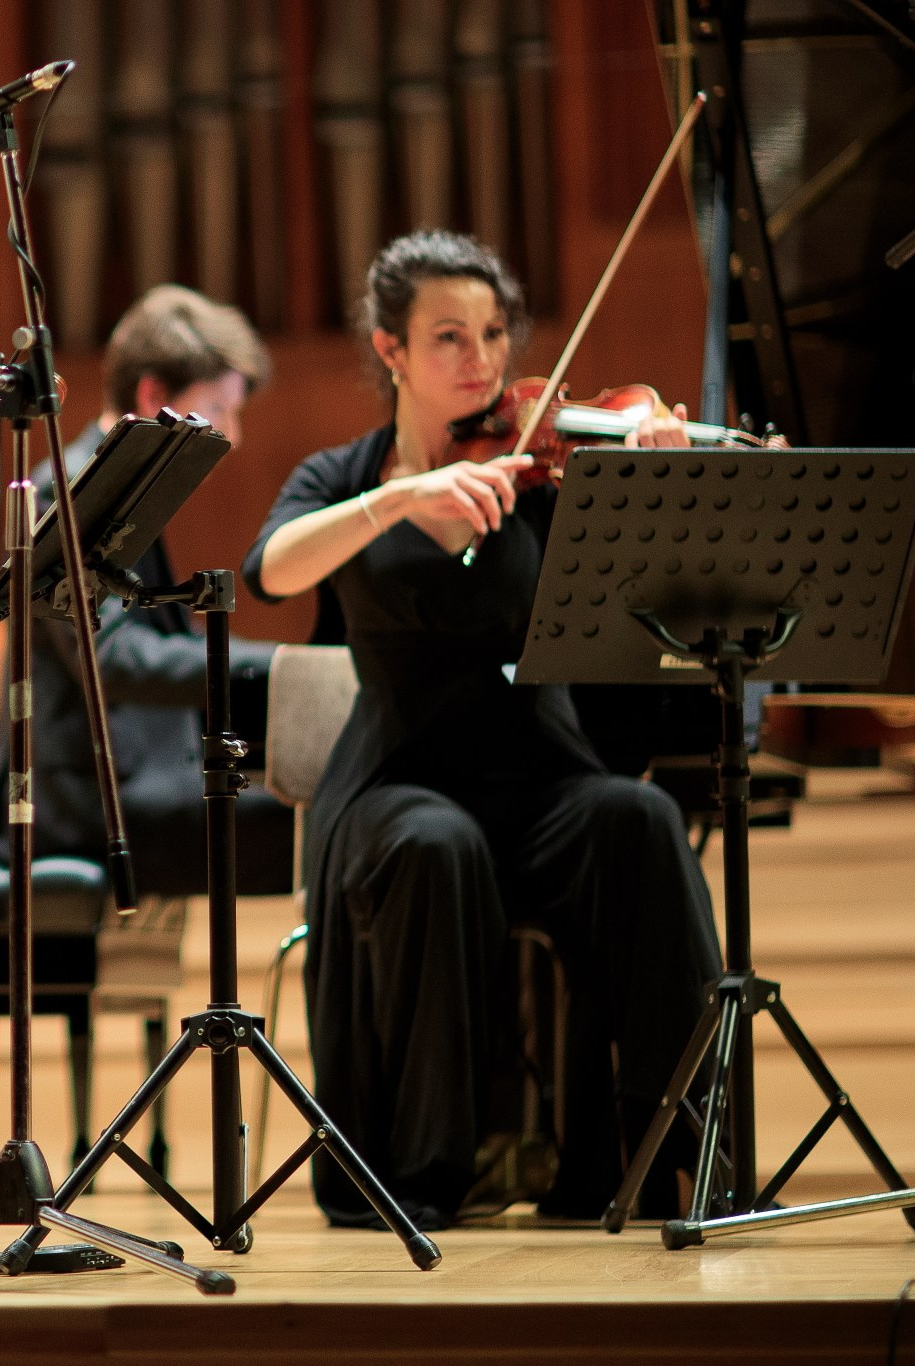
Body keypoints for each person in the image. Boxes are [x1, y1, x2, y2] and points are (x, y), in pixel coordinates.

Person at [240, 230, 721, 1230]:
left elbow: (651, 611)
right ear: (391, 352)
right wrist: (396, 499)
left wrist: (652, 493)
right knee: (434, 842)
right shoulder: (348, 475)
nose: (481, 361)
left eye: (493, 333)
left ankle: (665, 1152)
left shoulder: (545, 469)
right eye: (449, 336)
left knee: (635, 820)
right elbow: (272, 567)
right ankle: (425, 1170)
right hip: (394, 782)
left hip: (538, 777)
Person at [0, 285, 295, 894]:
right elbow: (113, 657)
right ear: (153, 395)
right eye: (219, 408)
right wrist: (283, 667)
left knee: (321, 798)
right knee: (318, 818)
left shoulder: (120, 484)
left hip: (139, 781)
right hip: (84, 808)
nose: (232, 434)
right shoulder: (65, 491)